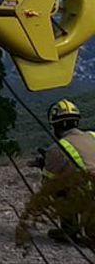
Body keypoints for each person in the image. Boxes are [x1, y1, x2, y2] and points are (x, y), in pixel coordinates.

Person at [38, 99, 95, 243]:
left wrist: (46, 165)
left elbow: (48, 185)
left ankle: (69, 230)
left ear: (55, 125)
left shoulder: (57, 148)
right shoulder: (93, 136)